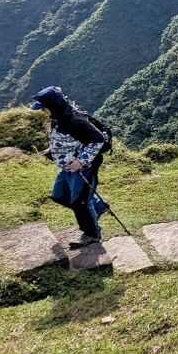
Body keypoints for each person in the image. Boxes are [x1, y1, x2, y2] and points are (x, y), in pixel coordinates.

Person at [29, 86, 110, 248]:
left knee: (80, 202)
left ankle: (92, 234)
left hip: (82, 169)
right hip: (67, 168)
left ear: (53, 106)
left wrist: (81, 161)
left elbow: (98, 139)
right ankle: (97, 206)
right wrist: (53, 150)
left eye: (44, 108)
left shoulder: (75, 121)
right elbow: (69, 140)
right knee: (59, 195)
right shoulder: (60, 118)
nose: (43, 111)